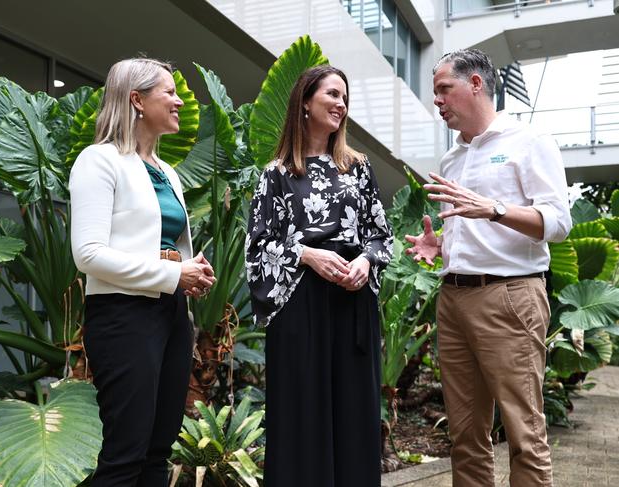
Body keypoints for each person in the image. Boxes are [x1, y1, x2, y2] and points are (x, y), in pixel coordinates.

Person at [405, 49, 572, 486]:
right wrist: (439, 245)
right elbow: (474, 228)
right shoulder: (451, 159)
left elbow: (557, 223)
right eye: (435, 92)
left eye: (444, 89)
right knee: (465, 435)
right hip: (454, 299)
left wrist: (494, 209)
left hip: (510, 298)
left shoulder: (528, 141)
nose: (437, 101)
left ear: (475, 83)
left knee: (523, 432)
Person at [69, 57, 216, 487]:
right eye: (167, 93)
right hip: (122, 318)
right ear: (136, 99)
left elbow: (164, 245)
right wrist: (174, 274)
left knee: (158, 451)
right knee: (125, 454)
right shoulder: (99, 161)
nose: (178, 101)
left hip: (170, 316)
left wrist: (191, 274)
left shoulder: (167, 172)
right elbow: (89, 254)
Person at [245, 65, 392, 487]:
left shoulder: (358, 168)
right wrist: (307, 254)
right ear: (305, 102)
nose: (341, 105)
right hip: (299, 305)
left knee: (354, 414)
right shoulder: (275, 175)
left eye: (345, 98)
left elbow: (381, 236)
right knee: (302, 414)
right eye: (332, 94)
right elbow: (256, 249)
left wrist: (365, 262)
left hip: (352, 303)